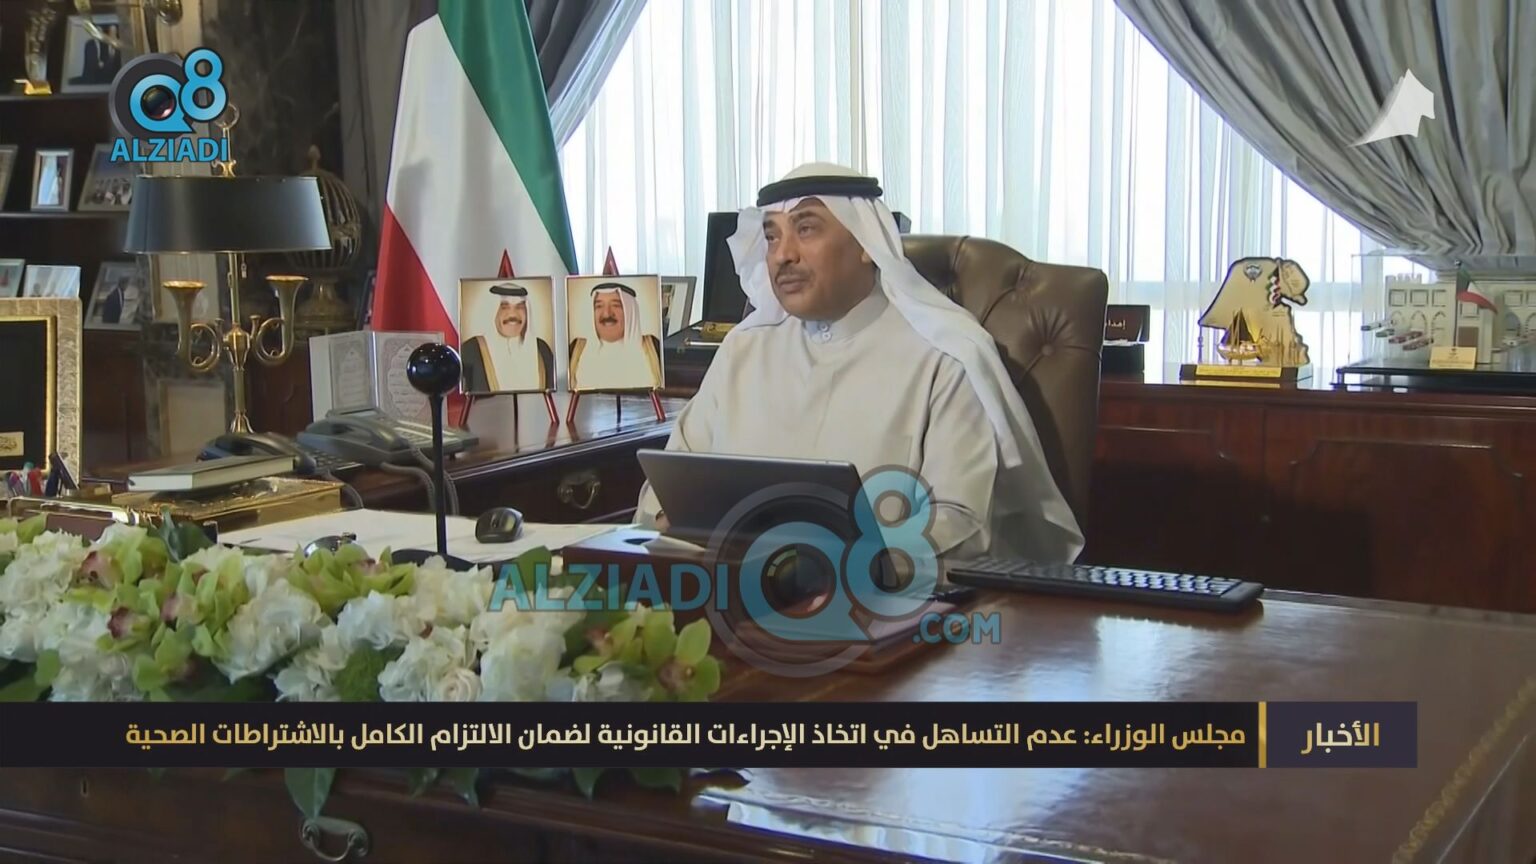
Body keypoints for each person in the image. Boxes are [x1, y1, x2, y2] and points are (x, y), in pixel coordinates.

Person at [635, 162, 1083, 564]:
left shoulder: (944, 355)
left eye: (806, 229)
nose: (783, 254)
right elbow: (665, 486)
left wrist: (849, 564)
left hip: (880, 606)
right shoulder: (743, 351)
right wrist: (670, 524)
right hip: (726, 590)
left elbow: (960, 522)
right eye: (771, 236)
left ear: (866, 243)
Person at [461, 283, 554, 392]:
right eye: (504, 307)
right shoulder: (470, 350)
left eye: (520, 307)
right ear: (492, 311)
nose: (512, 314)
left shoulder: (542, 349)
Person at [569, 282, 662, 390]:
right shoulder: (576, 348)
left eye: (616, 305)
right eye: (599, 306)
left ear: (630, 311)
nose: (607, 314)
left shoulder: (653, 347)